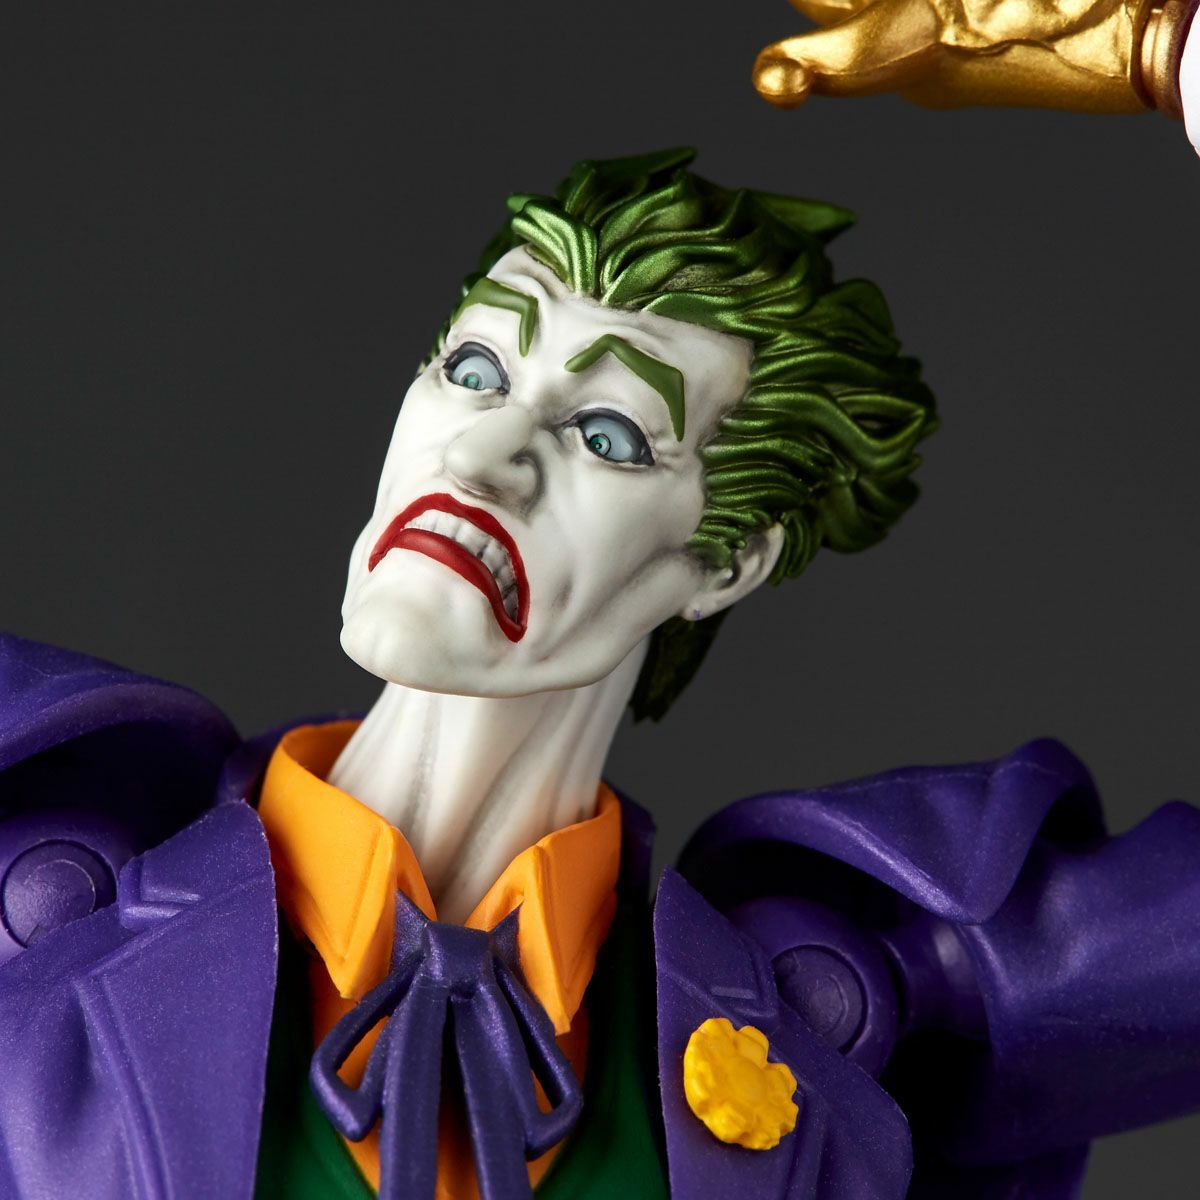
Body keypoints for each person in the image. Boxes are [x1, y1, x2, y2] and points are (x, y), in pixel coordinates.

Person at [1, 12, 1198, 1199]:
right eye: (474, 370)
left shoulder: (840, 1012)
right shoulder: (46, 890)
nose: (483, 457)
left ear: (726, 564)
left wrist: (1175, 53)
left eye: (609, 434)